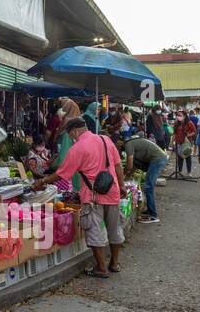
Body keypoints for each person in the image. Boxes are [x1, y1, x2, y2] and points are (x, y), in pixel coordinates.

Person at [31, 118, 125, 278]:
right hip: (113, 191)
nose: (70, 137)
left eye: (69, 134)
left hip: (93, 195)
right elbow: (117, 165)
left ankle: (101, 268)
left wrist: (42, 181)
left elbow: (62, 173)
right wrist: (121, 185)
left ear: (74, 131)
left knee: (94, 230)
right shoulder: (105, 140)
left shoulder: (78, 148)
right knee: (114, 228)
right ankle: (114, 263)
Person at [123, 132, 168, 224]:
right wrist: (126, 177)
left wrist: (122, 175)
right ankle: (150, 210)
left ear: (120, 142)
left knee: (148, 186)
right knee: (148, 186)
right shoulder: (133, 143)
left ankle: (153, 215)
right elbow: (134, 166)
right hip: (158, 158)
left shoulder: (128, 144)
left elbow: (129, 165)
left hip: (157, 160)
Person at [171, 111, 197, 178]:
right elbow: (174, 133)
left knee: (187, 157)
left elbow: (194, 131)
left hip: (187, 143)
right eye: (178, 115)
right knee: (180, 158)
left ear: (185, 116)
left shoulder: (189, 123)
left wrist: (189, 135)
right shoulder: (176, 123)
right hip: (178, 143)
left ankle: (189, 172)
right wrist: (172, 142)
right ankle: (180, 171)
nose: (178, 117)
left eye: (180, 115)